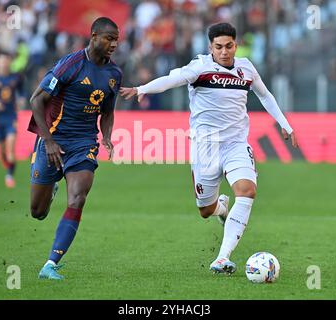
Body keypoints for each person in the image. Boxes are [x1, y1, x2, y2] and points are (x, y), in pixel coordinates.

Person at [120, 22, 298, 275]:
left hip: (236, 144)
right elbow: (172, 80)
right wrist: (141, 89)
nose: (224, 51)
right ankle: (221, 208)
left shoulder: (246, 69)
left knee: (247, 191)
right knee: (205, 210)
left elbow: (265, 95)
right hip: (205, 148)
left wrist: (285, 124)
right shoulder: (200, 67)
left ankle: (222, 258)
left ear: (236, 45)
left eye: (229, 46)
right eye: (218, 47)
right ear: (210, 47)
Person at [28, 17, 122, 280]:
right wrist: (47, 141)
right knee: (38, 212)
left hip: (84, 143)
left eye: (116, 39)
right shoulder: (71, 64)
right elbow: (36, 100)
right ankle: (51, 186)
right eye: (108, 38)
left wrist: (106, 136)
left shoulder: (115, 74)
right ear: (93, 36)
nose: (114, 43)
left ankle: (50, 263)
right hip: (54, 140)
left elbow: (108, 111)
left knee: (78, 197)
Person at [0, 52, 25, 188]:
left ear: (10, 63)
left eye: (6, 61)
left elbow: (22, 90)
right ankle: (6, 163)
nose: (4, 63)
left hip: (11, 117)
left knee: (11, 150)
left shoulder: (16, 77)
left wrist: (21, 98)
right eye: (1, 61)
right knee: (2, 152)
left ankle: (9, 175)